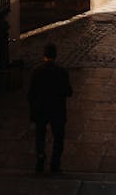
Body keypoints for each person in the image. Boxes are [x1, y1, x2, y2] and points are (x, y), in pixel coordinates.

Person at [28, 42, 73, 174]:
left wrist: (32, 108)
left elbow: (31, 94)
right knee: (58, 137)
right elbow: (69, 92)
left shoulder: (36, 71)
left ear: (44, 55)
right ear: (56, 55)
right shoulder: (62, 72)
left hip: (41, 108)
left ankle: (40, 158)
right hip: (57, 109)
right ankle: (55, 164)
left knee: (40, 135)